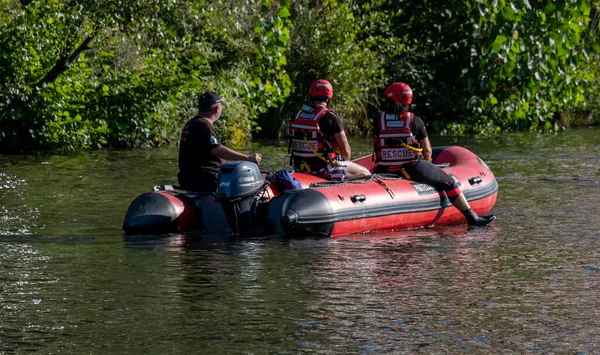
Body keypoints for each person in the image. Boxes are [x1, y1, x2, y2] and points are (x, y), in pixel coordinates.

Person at [373, 82, 495, 226]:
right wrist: (427, 164)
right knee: (449, 182)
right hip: (411, 168)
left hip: (383, 169)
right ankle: (472, 218)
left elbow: (376, 144)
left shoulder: (378, 120)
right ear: (408, 100)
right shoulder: (415, 121)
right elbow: (427, 150)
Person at [178, 91, 262, 192]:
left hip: (188, 178)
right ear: (217, 108)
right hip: (206, 180)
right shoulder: (204, 125)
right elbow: (217, 150)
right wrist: (247, 158)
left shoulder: (191, 123)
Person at [289, 79, 371, 181]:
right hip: (322, 170)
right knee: (365, 173)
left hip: (299, 169)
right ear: (329, 97)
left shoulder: (298, 115)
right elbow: (346, 152)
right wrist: (345, 163)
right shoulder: (330, 117)